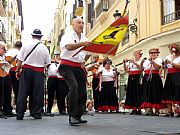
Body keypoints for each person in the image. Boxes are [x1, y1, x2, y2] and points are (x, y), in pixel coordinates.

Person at [58, 16, 91, 125]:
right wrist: (82, 44)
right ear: (73, 25)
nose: (81, 24)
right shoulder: (67, 35)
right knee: (74, 86)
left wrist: (84, 59)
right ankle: (71, 115)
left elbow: (86, 54)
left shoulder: (84, 38)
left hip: (78, 67)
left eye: (82, 22)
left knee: (82, 91)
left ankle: (77, 116)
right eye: (78, 22)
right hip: (66, 65)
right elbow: (68, 47)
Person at [15, 29, 51, 120]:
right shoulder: (44, 48)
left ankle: (20, 113)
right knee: (38, 93)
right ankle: (36, 113)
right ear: (41, 37)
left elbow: (20, 60)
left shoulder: (26, 45)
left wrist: (17, 70)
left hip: (27, 70)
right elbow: (47, 63)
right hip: (39, 72)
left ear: (32, 36)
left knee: (23, 92)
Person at [140, 48, 163, 116]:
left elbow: (157, 68)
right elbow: (142, 69)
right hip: (147, 77)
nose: (153, 54)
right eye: (151, 53)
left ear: (157, 54)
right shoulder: (146, 61)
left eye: (154, 53)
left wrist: (152, 61)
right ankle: (149, 109)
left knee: (156, 92)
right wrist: (141, 63)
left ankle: (156, 109)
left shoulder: (159, 59)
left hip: (155, 77)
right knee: (147, 92)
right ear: (149, 54)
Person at [161, 44, 180, 117]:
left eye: (172, 49)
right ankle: (170, 110)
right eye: (170, 49)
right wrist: (164, 64)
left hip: (177, 75)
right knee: (168, 91)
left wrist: (171, 63)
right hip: (169, 75)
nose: (171, 50)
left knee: (177, 91)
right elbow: (164, 68)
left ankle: (178, 110)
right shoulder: (168, 57)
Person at [123, 49, 143, 115]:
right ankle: (133, 108)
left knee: (138, 92)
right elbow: (126, 70)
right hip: (131, 76)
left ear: (140, 54)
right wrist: (124, 63)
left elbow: (141, 68)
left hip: (137, 76)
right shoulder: (130, 62)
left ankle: (139, 108)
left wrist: (134, 62)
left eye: (137, 53)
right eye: (134, 53)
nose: (135, 55)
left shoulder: (141, 60)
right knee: (132, 92)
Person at [0, 41, 15, 117]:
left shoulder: (6, 56)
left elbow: (12, 65)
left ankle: (7, 110)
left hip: (6, 76)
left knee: (7, 92)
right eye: (3, 48)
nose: (4, 50)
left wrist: (8, 64)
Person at [6, 41, 22, 106]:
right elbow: (19, 62)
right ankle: (18, 107)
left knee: (8, 91)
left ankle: (7, 107)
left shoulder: (9, 51)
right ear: (20, 47)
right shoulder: (19, 52)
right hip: (15, 71)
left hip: (7, 71)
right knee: (17, 90)